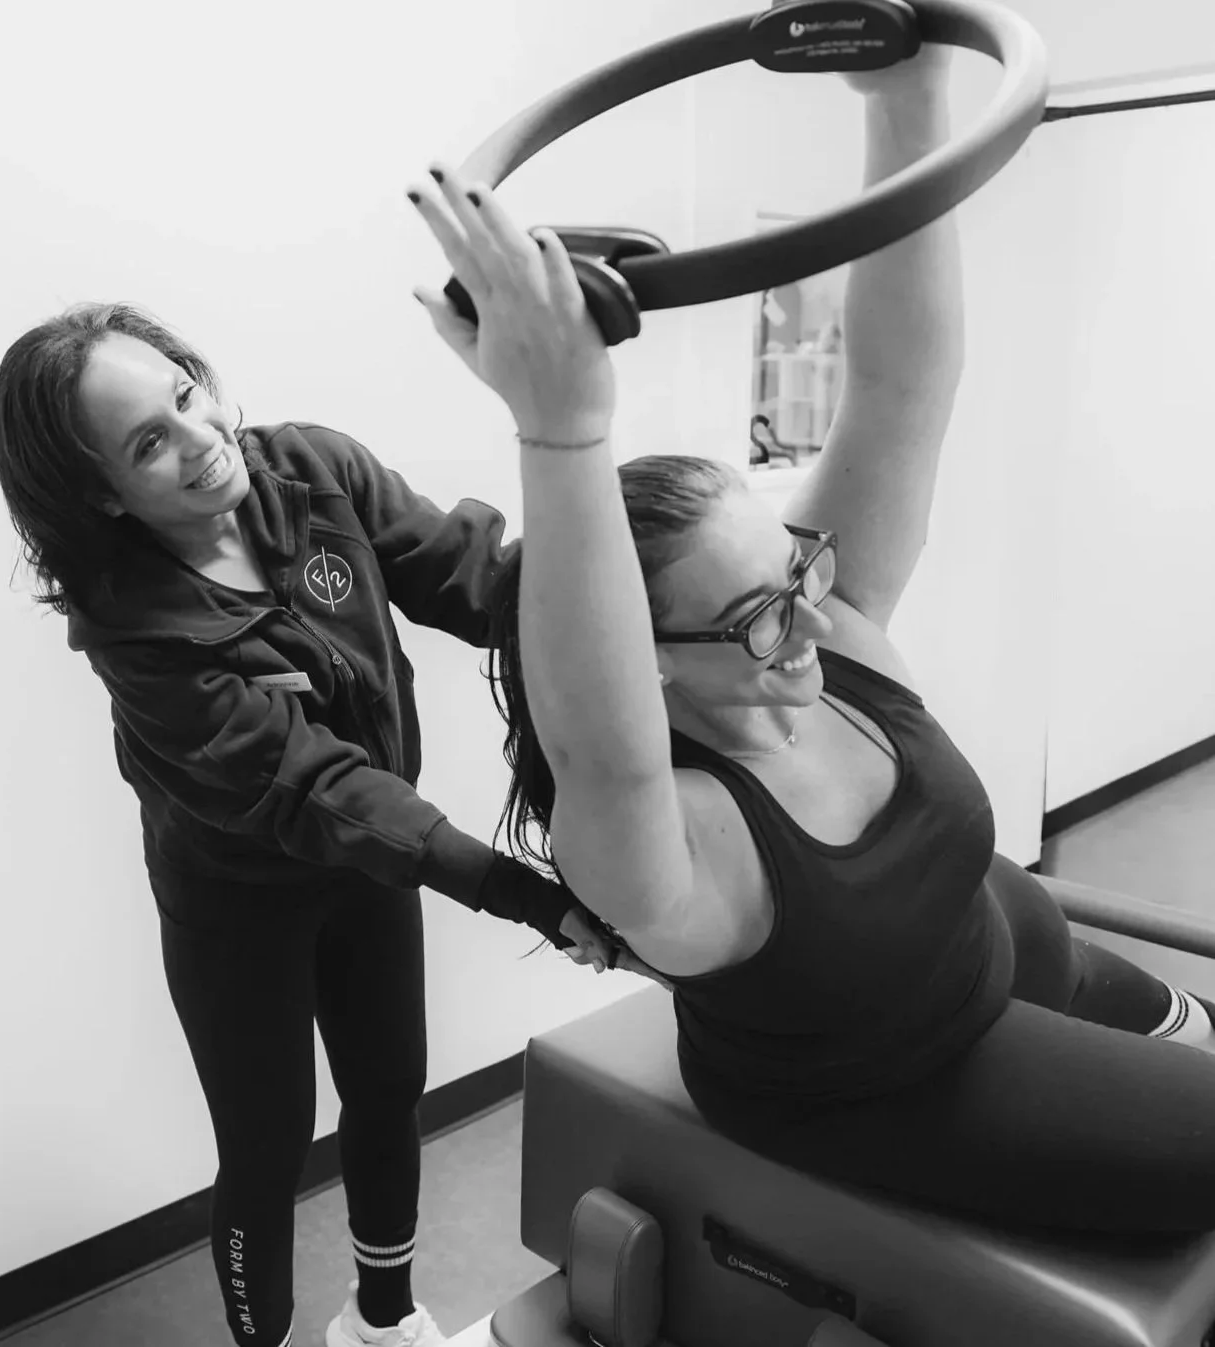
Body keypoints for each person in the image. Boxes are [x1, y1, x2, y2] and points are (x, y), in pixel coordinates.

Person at [407, 45, 1215, 1235]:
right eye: (755, 616)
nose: (808, 623)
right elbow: (602, 750)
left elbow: (898, 389)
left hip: (1000, 940)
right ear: (652, 661)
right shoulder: (658, 847)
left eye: (796, 570)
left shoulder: (822, 622)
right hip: (883, 1084)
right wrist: (559, 427)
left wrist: (902, 100)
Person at [0, 307, 621, 1347]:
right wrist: (530, 898)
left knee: (386, 1094)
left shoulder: (310, 472)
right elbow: (322, 788)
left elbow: (471, 578)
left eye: (185, 392)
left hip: (366, 877)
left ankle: (380, 1323)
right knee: (267, 1148)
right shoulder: (140, 634)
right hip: (239, 910)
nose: (200, 439)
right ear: (101, 491)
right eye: (149, 442)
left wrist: (620, 614)